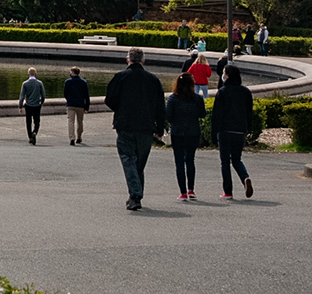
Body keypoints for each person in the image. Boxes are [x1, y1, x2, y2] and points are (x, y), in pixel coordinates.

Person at [103, 47, 166, 210]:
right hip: (146, 126)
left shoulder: (120, 77)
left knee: (128, 158)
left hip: (125, 124)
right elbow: (160, 106)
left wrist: (121, 108)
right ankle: (135, 195)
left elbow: (109, 100)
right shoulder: (153, 80)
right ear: (143, 61)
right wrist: (160, 127)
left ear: (128, 60)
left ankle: (135, 195)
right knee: (139, 162)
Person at [212, 65, 255, 199]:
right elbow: (249, 112)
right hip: (240, 130)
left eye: (224, 73)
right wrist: (248, 127)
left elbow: (217, 115)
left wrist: (214, 133)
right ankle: (245, 177)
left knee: (225, 162)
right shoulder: (246, 92)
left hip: (225, 130)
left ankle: (228, 191)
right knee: (236, 159)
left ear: (228, 75)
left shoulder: (223, 92)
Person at [164, 74, 206, 202]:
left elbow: (169, 117)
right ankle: (191, 189)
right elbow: (202, 114)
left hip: (178, 132)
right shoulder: (198, 98)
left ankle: (182, 192)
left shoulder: (173, 99)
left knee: (179, 162)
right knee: (190, 160)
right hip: (193, 132)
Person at [18, 68, 46, 145]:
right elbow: (43, 95)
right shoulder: (39, 83)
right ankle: (35, 132)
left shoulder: (25, 83)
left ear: (28, 74)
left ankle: (30, 136)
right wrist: (41, 103)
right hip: (37, 105)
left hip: (28, 105)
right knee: (37, 121)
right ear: (35, 74)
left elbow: (22, 96)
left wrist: (20, 106)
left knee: (28, 121)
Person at [63, 67, 90, 145]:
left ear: (72, 72)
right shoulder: (83, 82)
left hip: (70, 104)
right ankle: (79, 137)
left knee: (71, 121)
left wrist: (68, 99)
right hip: (80, 104)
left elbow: (65, 93)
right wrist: (86, 107)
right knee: (80, 122)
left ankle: (72, 137)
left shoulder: (68, 82)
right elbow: (86, 96)